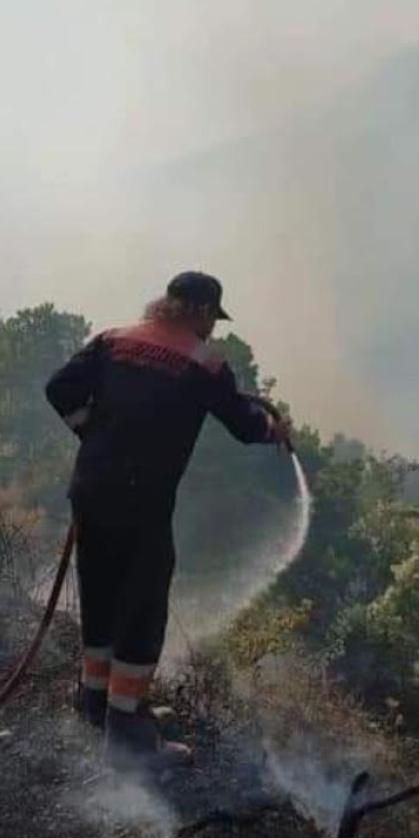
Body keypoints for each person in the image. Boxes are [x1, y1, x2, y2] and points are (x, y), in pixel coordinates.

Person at [46, 271, 291, 759]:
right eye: (213, 318)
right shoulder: (204, 363)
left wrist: (89, 430)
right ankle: (127, 733)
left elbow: (59, 388)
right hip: (142, 503)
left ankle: (95, 704)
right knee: (142, 607)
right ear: (199, 312)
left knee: (100, 594)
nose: (213, 328)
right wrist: (275, 430)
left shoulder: (113, 340)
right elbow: (244, 425)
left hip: (90, 491)